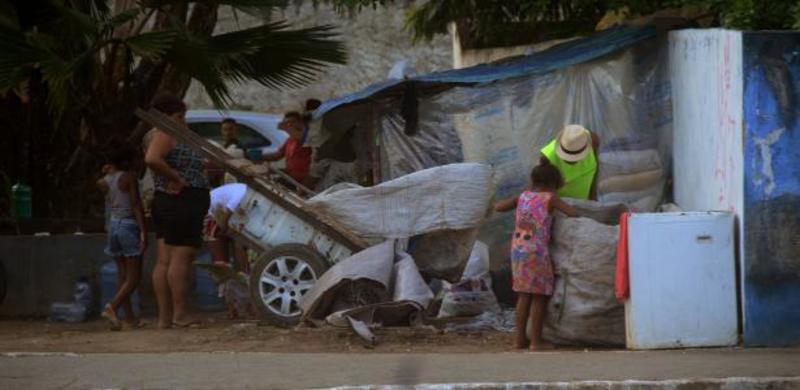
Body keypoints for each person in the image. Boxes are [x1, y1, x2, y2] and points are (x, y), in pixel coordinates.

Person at [494, 158, 578, 350]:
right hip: (537, 253)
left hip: (518, 251)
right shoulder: (550, 198)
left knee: (523, 295)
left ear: (533, 180)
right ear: (554, 184)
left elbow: (498, 207)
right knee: (539, 296)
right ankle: (536, 342)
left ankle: (519, 340)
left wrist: (525, 195)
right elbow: (573, 213)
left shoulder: (522, 197)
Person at [144, 94, 210, 329]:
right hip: (182, 201)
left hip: (168, 202)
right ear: (167, 117)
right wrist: (176, 178)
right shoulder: (165, 131)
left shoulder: (153, 134)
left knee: (164, 261)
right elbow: (152, 158)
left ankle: (165, 317)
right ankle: (180, 313)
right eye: (179, 116)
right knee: (180, 258)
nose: (183, 121)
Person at [97, 147, 147, 331]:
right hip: (128, 225)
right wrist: (143, 231)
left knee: (123, 275)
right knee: (134, 277)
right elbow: (135, 203)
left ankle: (129, 318)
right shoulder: (128, 177)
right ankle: (113, 307)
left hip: (113, 226)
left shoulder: (103, 181)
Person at [540, 124, 600, 200]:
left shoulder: (593, 141)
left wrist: (593, 195)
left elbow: (595, 167)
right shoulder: (547, 157)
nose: (572, 160)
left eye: (575, 156)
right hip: (560, 205)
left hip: (584, 202)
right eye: (568, 155)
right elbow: (541, 189)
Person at [204, 183, 248, 272]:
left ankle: (240, 276)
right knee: (221, 262)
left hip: (224, 213)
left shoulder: (245, 192)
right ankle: (228, 276)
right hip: (211, 213)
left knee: (238, 244)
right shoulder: (241, 194)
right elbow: (223, 222)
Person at [262, 111, 312, 187]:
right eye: (288, 122)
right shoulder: (290, 140)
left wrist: (286, 128)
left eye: (292, 122)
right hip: (290, 178)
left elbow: (301, 138)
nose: (290, 125)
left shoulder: (307, 138)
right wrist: (259, 156)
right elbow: (278, 155)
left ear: (300, 122)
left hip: (303, 183)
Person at [208, 118, 244, 186]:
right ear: (221, 131)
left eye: (231, 129)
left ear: (236, 130)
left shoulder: (239, 148)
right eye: (225, 129)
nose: (227, 133)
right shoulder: (223, 146)